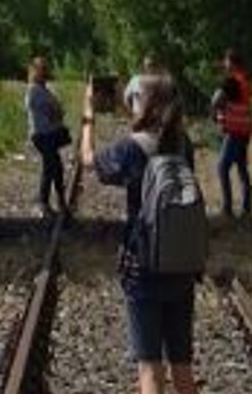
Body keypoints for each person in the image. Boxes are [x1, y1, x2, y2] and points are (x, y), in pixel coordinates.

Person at [81, 68, 200, 394]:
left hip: (143, 266)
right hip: (181, 263)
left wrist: (88, 115)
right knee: (182, 368)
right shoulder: (183, 144)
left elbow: (89, 161)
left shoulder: (131, 149)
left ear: (142, 104)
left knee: (150, 368)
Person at [211, 47, 252, 220]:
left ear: (232, 63)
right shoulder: (245, 79)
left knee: (222, 168)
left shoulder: (231, 81)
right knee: (242, 169)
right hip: (245, 130)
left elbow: (216, 100)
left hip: (235, 131)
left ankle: (227, 209)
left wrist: (216, 113)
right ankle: (247, 209)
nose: (224, 64)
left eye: (226, 61)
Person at [25, 54, 69, 217]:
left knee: (55, 167)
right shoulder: (34, 90)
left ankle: (59, 201)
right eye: (42, 69)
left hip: (48, 133)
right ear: (35, 71)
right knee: (51, 167)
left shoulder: (44, 89)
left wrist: (57, 111)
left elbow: (57, 110)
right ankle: (44, 203)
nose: (45, 72)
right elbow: (52, 112)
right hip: (42, 134)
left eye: (45, 69)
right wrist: (56, 111)